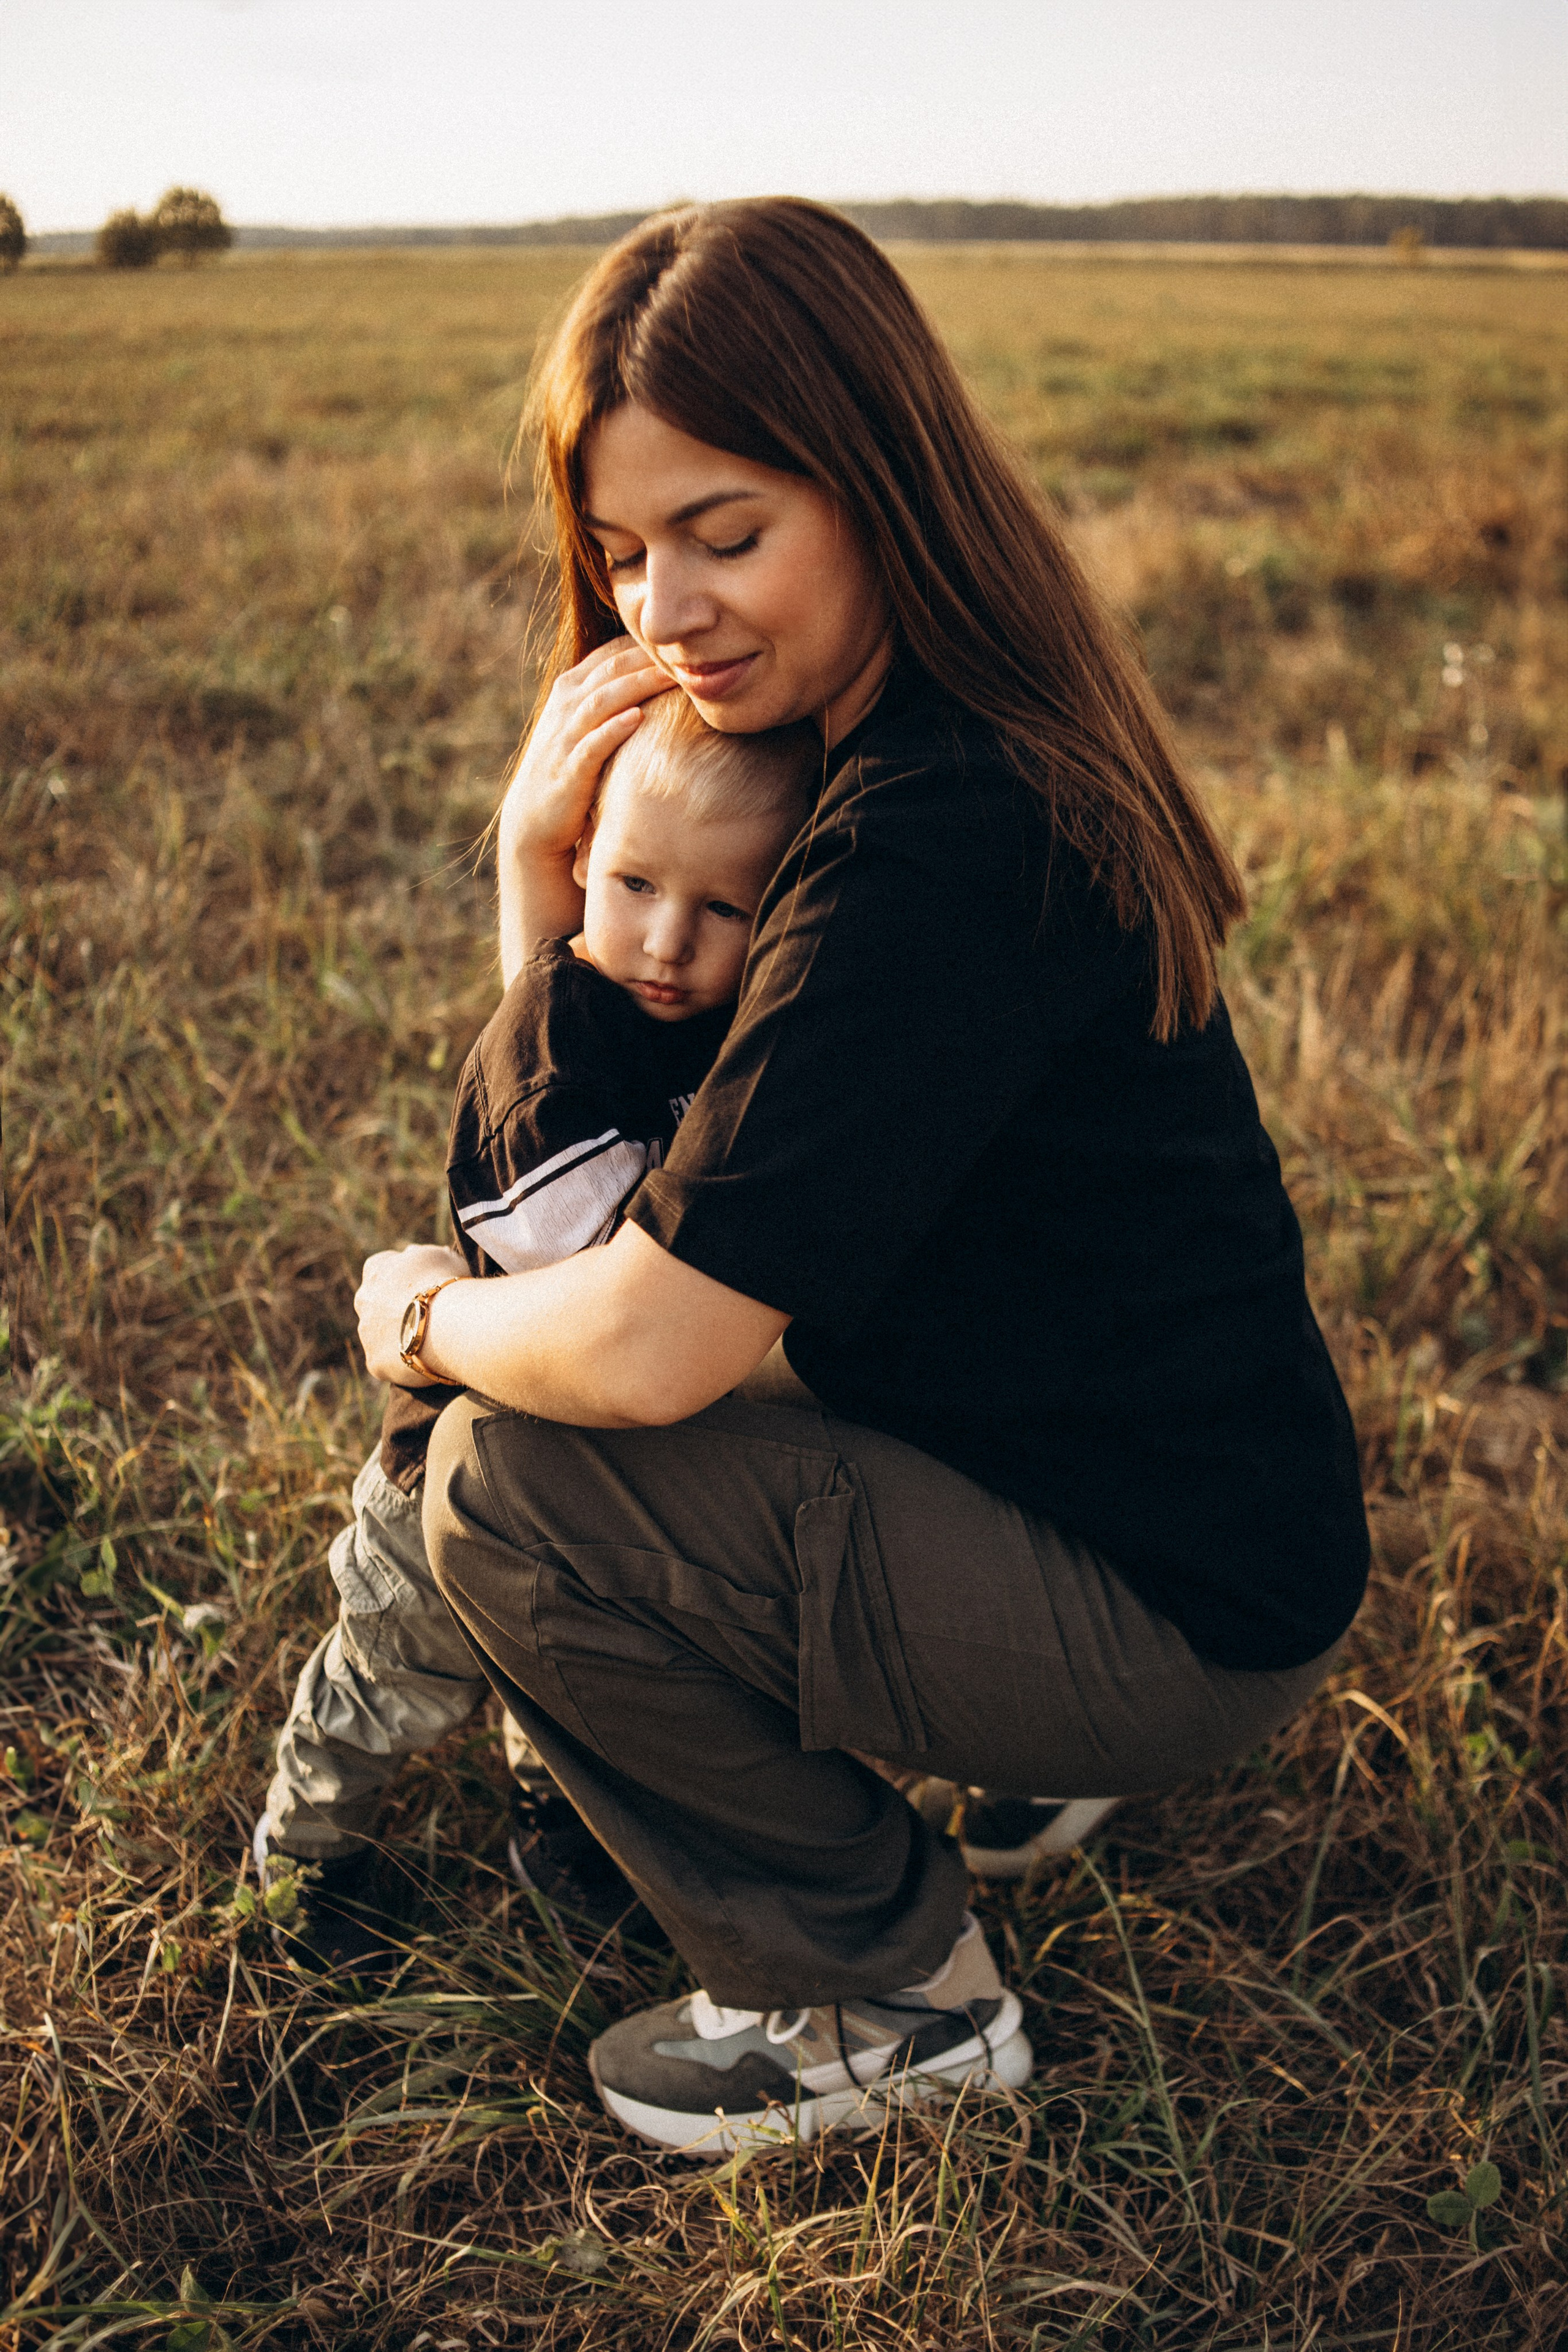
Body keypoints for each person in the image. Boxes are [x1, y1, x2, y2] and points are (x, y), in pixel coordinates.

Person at [353, 198, 1371, 2154]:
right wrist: (545, 900)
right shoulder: (902, 738)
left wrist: (420, 1321)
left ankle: (886, 1999)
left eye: (725, 533)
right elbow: (613, 1189)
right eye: (620, 550)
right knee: (565, 1381)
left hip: (1166, 1601)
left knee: (511, 1484)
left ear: (878, 481)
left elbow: (637, 1339)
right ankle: (1012, 1747)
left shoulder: (932, 835)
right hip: (1158, 1495)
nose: (661, 607)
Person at [255, 692, 819, 1969]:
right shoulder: (552, 1053)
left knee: (559, 1651)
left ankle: (552, 1817)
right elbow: (601, 1296)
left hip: (601, 1460)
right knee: (393, 1681)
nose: (666, 940)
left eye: (725, 908)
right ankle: (301, 1857)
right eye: (634, 884)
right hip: (463, 1448)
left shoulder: (738, 1036)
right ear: (581, 862)